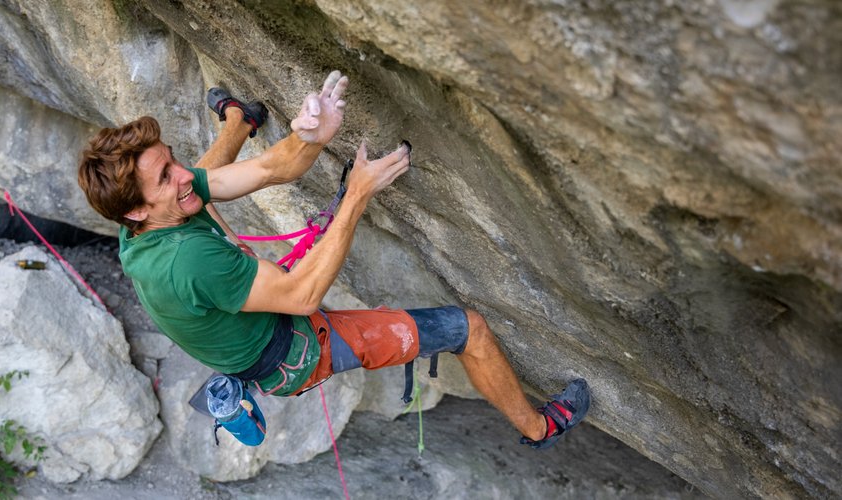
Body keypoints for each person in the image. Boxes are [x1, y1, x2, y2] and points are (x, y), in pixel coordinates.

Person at [78, 71, 589, 449]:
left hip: (243, 318)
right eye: (165, 176)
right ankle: (538, 428)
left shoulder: (143, 223)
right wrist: (356, 195)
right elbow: (302, 297)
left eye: (171, 160)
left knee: (203, 188)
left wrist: (310, 135)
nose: (182, 174)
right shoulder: (189, 260)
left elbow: (266, 171)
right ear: (138, 210)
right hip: (292, 352)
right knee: (469, 329)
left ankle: (240, 119)